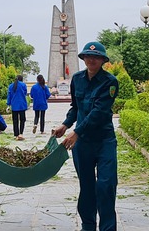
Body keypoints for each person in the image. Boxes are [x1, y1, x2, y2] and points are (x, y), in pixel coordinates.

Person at [52, 41, 119, 231]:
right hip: (82, 145)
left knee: (106, 186)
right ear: (83, 58)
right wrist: (65, 125)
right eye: (88, 56)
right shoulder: (77, 79)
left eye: (96, 56)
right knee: (87, 187)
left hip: (104, 141)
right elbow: (76, 107)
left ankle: (107, 228)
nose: (92, 59)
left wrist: (77, 132)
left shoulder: (110, 82)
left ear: (103, 60)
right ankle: (88, 226)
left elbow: (98, 112)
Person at [7, 75, 28, 140]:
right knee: (22, 120)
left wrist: (8, 105)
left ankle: (16, 134)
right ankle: (21, 133)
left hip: (14, 105)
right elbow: (25, 93)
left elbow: (9, 96)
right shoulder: (23, 85)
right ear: (21, 79)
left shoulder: (10, 86)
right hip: (22, 105)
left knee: (15, 121)